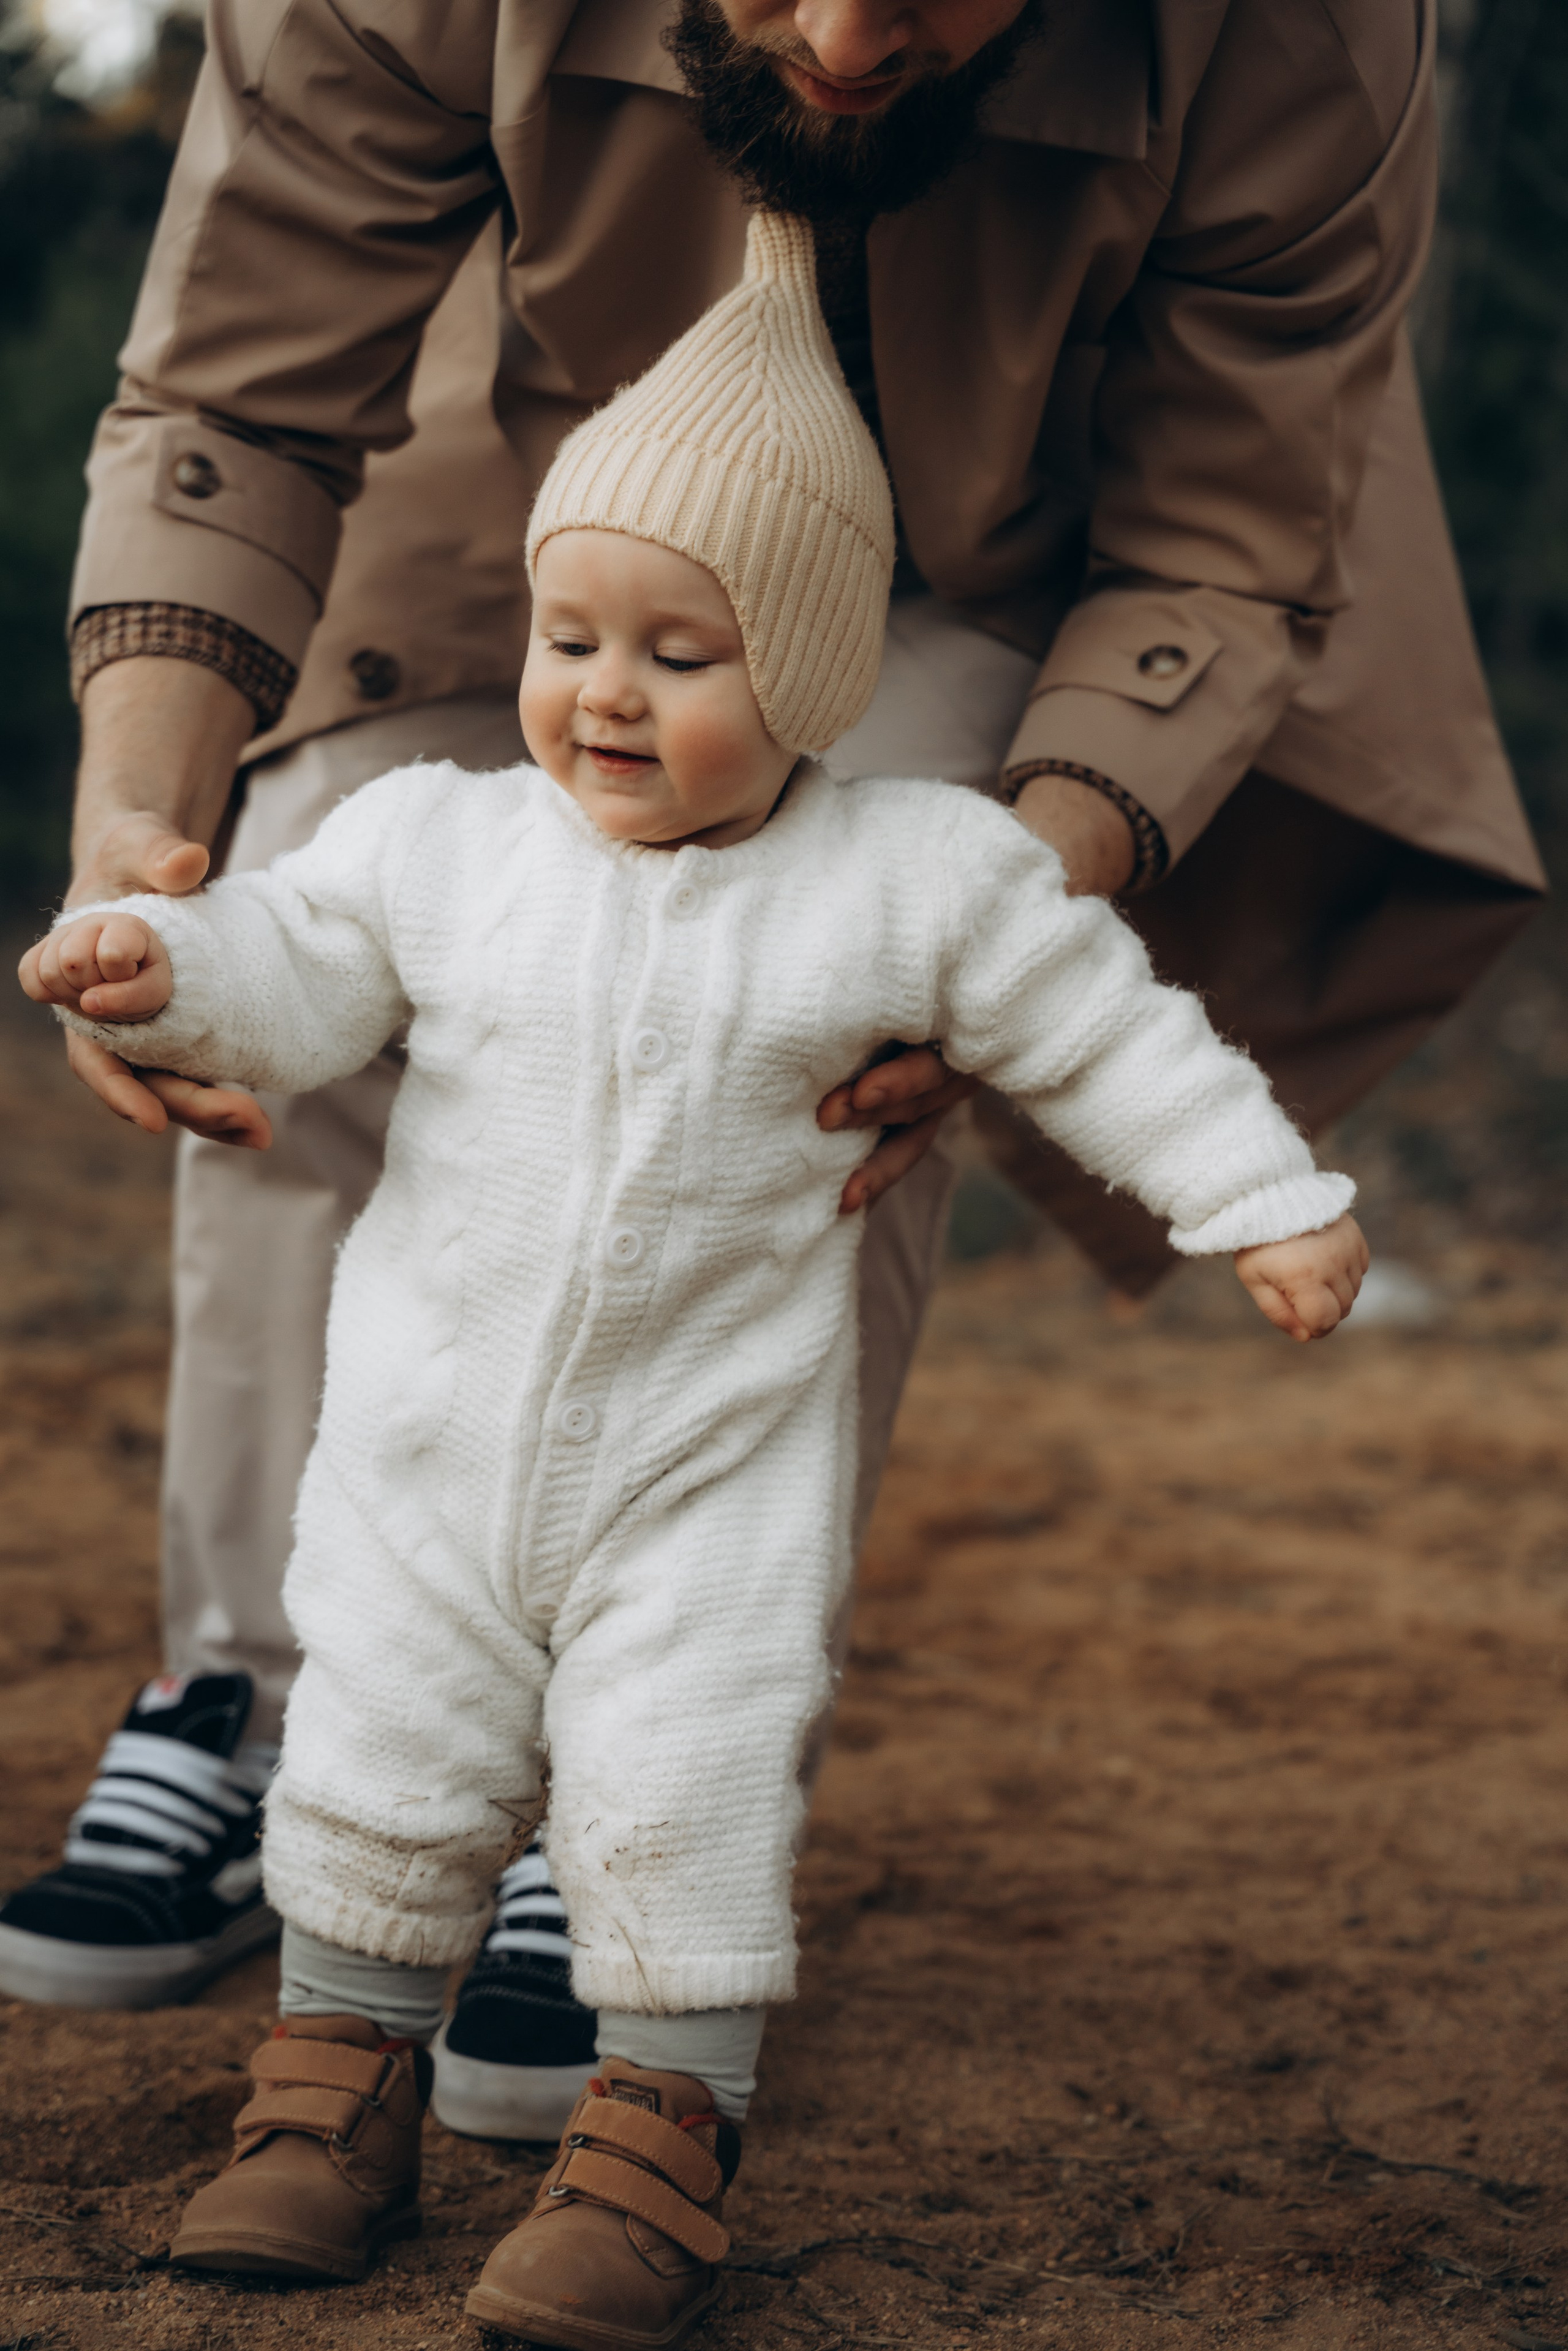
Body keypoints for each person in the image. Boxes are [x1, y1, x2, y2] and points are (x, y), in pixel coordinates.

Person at [0, 0, 1543, 2126]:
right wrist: (134, 862)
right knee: (302, 874)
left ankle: (641, 1801)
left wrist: (983, 929)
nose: (836, 37)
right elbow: (237, 389)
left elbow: (1223, 529)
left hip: (1018, 551)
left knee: (841, 996)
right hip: (531, 482)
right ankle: (258, 1689)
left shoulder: (1307, 30)